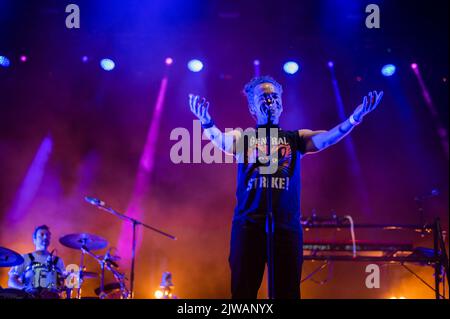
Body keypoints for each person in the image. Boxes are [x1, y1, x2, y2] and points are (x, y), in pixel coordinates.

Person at [189, 75, 383, 299]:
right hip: (248, 226)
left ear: (282, 103)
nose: (271, 100)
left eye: (275, 96)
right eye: (264, 97)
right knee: (243, 293)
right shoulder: (243, 137)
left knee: (287, 293)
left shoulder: (295, 138)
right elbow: (221, 140)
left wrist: (354, 119)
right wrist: (206, 122)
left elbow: (328, 138)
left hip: (286, 228)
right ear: (252, 106)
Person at [8, 225, 65, 298]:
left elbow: (62, 283)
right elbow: (11, 281)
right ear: (34, 239)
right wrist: (25, 290)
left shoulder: (58, 261)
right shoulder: (24, 258)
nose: (45, 237)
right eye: (41, 235)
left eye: (47, 235)